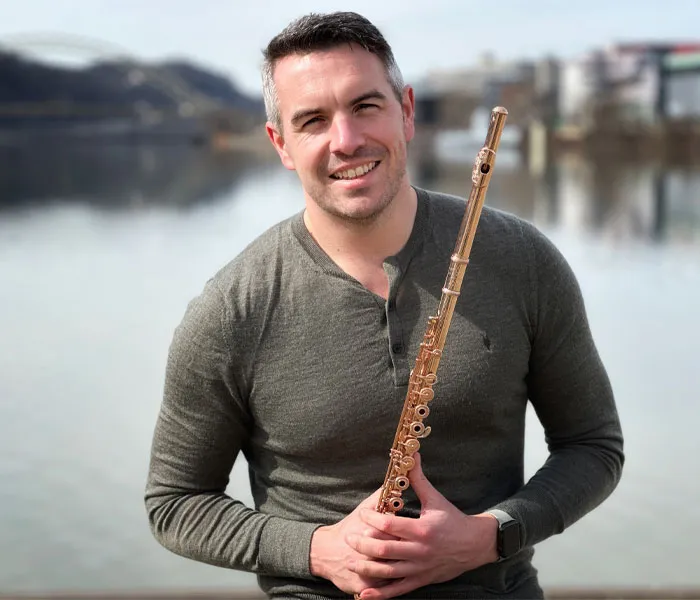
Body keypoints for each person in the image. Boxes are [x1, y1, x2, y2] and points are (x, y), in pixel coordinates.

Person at [145, 11, 624, 600]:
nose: (346, 140)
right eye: (313, 120)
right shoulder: (231, 310)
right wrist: (319, 549)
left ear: (407, 111)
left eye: (365, 106)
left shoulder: (522, 261)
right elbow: (175, 503)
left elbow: (593, 446)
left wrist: (489, 536)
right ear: (281, 144)